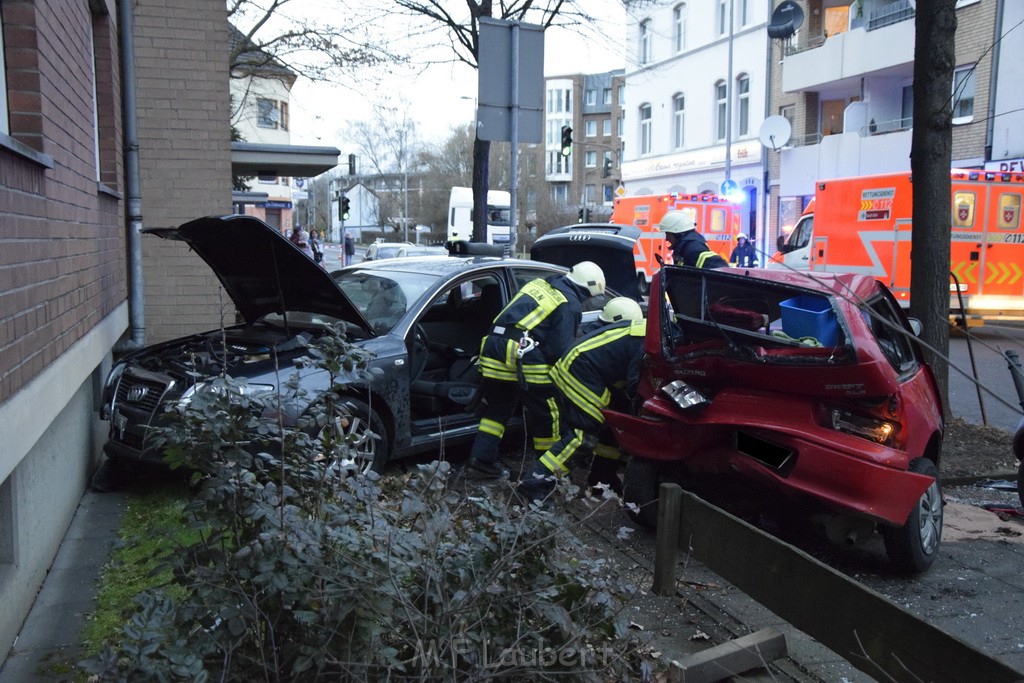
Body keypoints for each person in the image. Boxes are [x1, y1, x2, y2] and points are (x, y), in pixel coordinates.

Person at [466, 261, 607, 478]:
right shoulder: (568, 303)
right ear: (587, 289)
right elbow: (559, 349)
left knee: (498, 408)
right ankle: (545, 473)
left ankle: (479, 462)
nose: (588, 300)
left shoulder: (539, 285)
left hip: (493, 348)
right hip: (524, 357)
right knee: (548, 415)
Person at [518, 299, 647, 504]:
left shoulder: (642, 333)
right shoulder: (647, 341)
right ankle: (534, 483)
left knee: (611, 431)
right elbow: (635, 383)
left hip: (584, 370)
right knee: (582, 438)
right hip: (580, 371)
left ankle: (601, 479)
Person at [658, 210, 728, 269]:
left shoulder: (693, 250)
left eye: (668, 235)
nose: (666, 238)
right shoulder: (684, 248)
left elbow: (719, 267)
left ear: (677, 233)